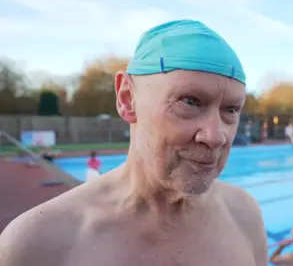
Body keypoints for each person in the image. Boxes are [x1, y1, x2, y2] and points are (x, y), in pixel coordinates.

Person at [0, 19, 268, 266]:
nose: (216, 136)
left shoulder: (245, 216)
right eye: (190, 101)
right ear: (127, 98)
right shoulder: (37, 245)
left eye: (231, 110)